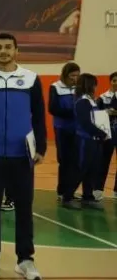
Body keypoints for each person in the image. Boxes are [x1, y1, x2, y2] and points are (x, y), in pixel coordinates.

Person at [0, 32, 46, 279]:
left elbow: (39, 115)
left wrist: (41, 148)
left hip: (22, 156)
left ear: (16, 50)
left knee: (24, 208)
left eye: (7, 47)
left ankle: (25, 259)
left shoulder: (31, 79)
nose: (3, 51)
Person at [68, 73, 109, 210]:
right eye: (94, 84)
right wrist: (102, 133)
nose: (96, 87)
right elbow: (86, 123)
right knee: (81, 169)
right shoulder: (83, 101)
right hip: (84, 141)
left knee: (92, 169)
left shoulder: (91, 100)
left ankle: (87, 196)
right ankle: (67, 197)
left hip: (94, 140)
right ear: (90, 85)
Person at [48, 62, 80, 205]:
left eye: (77, 75)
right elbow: (52, 108)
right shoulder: (55, 87)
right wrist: (72, 113)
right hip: (62, 128)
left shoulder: (79, 88)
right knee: (64, 161)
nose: (75, 78)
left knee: (75, 161)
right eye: (72, 75)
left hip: (77, 129)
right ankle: (62, 192)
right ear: (65, 75)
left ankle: (70, 192)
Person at [95, 72, 117, 198]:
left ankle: (116, 191)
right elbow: (96, 116)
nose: (116, 83)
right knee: (103, 162)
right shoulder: (102, 98)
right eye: (114, 80)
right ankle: (98, 189)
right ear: (110, 82)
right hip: (107, 135)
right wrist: (106, 112)